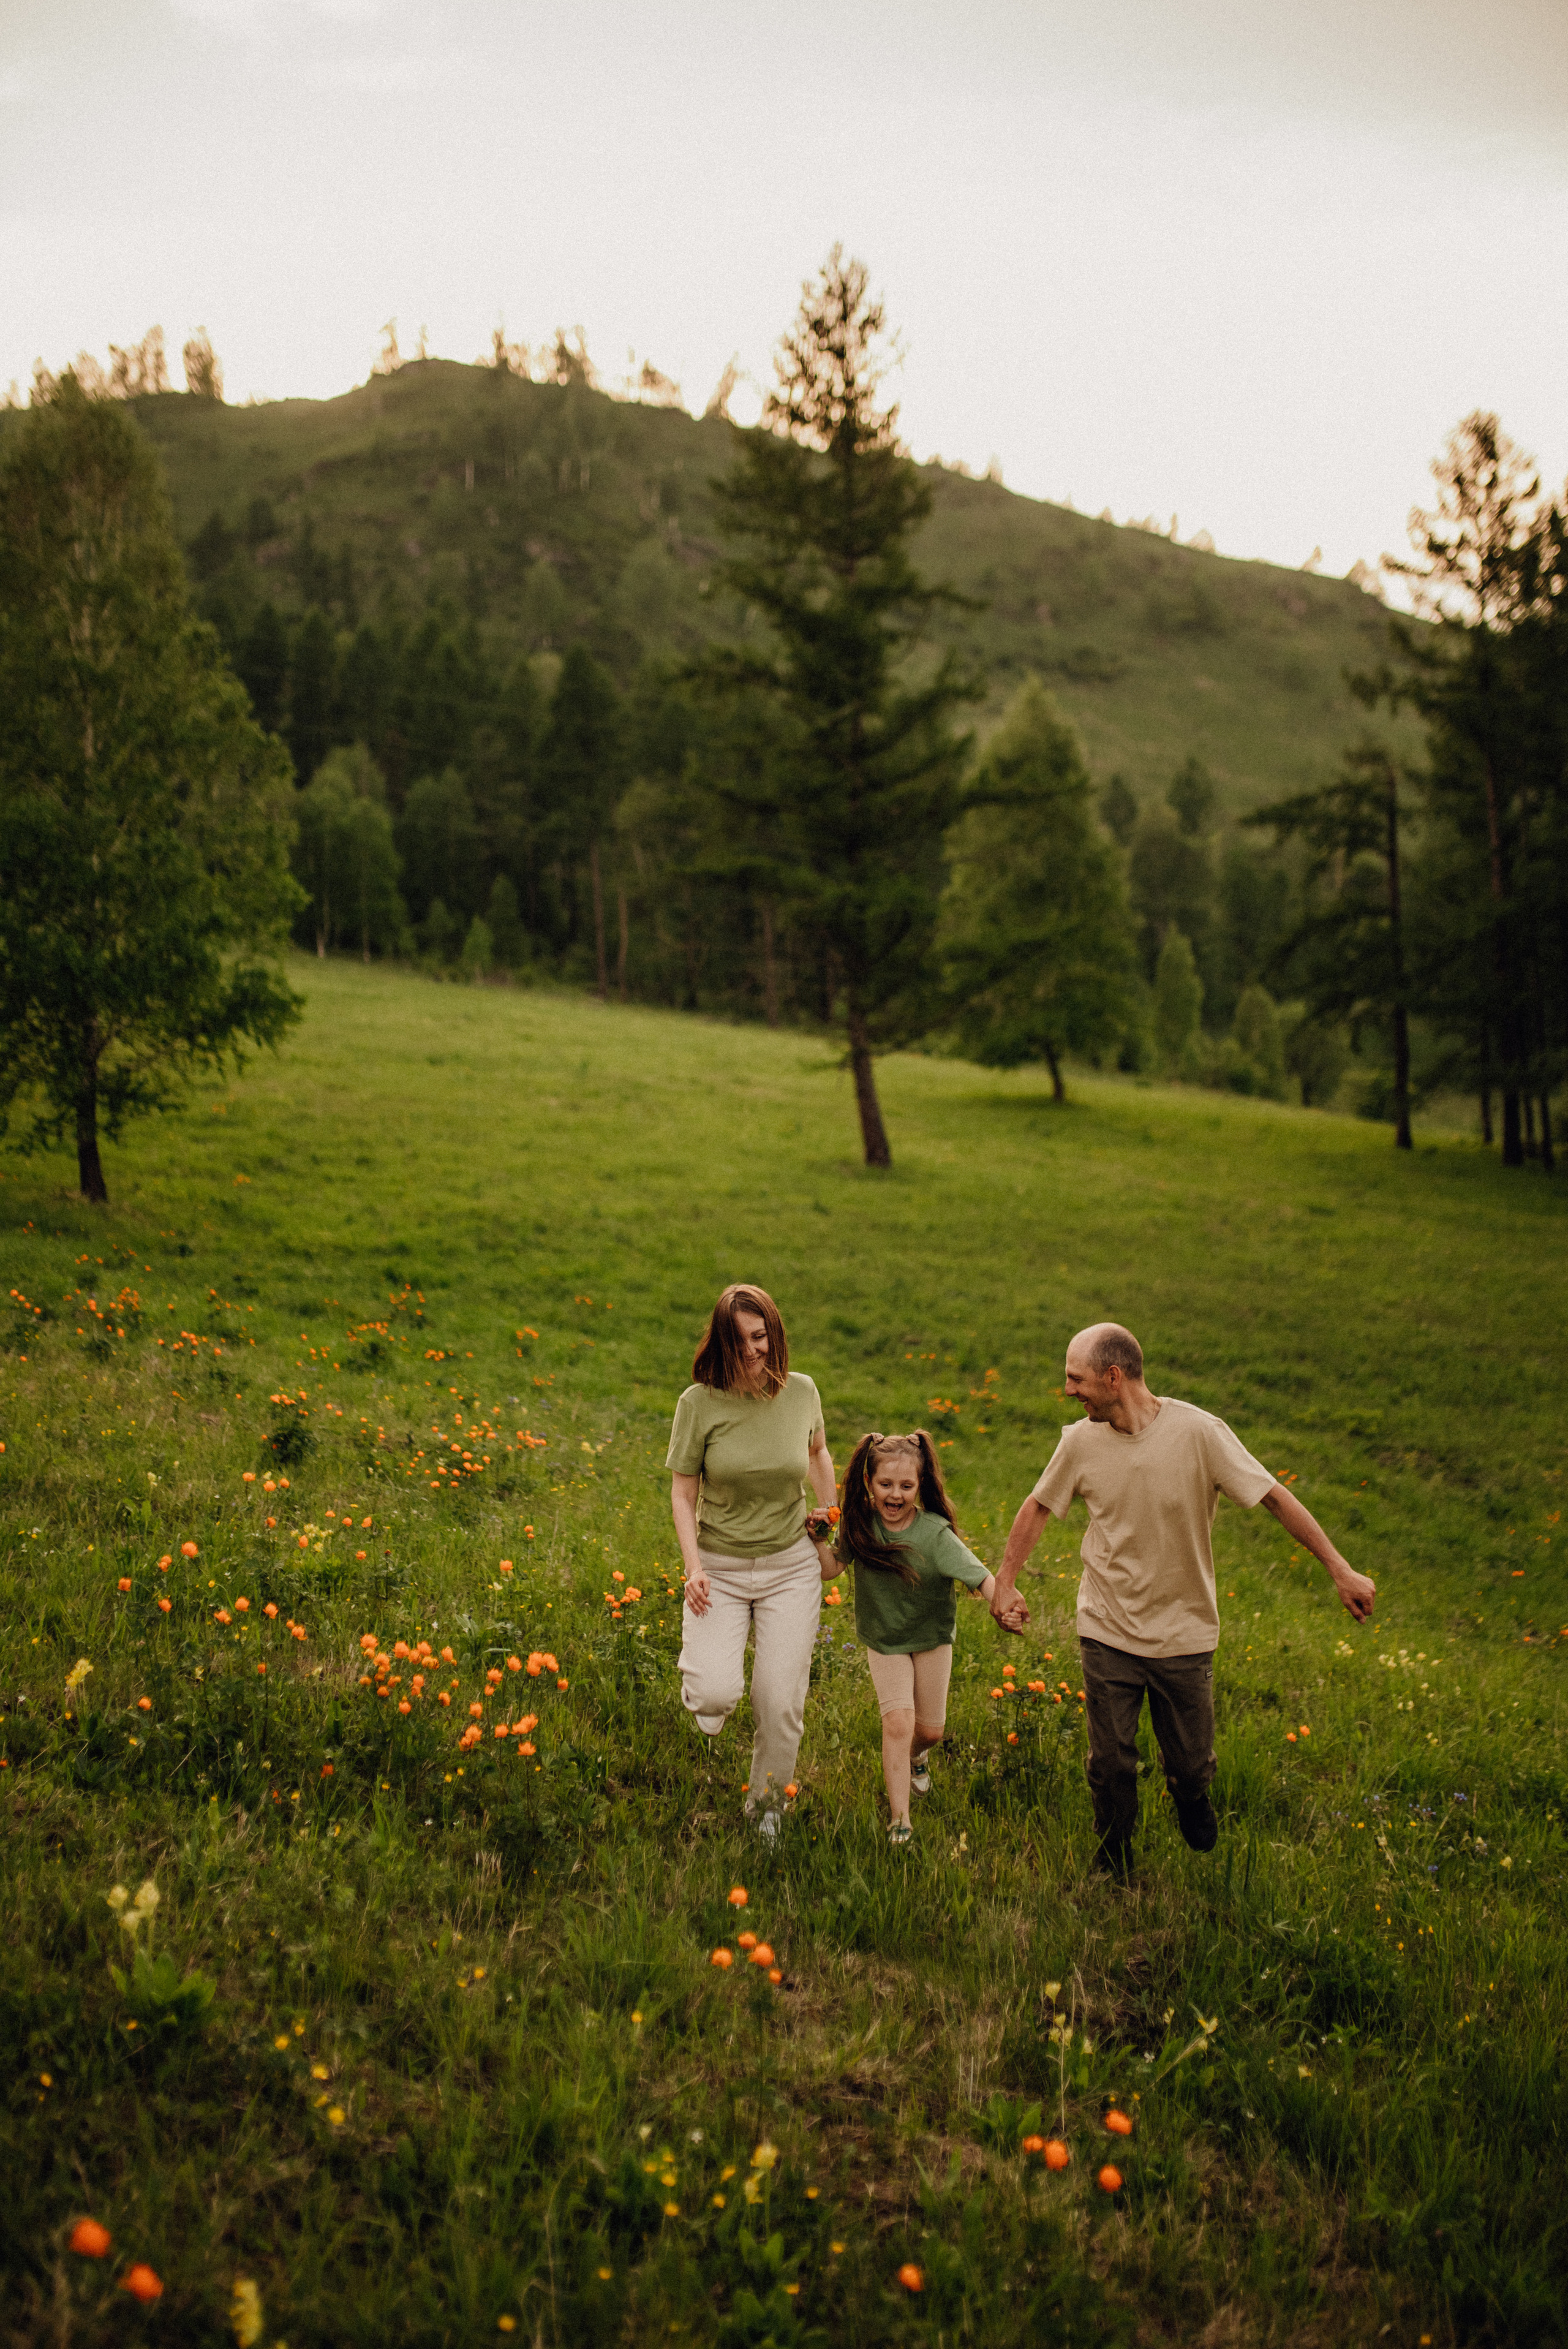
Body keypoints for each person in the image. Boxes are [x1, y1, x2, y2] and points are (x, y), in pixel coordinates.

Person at [989, 1322, 1375, 1878]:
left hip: (1184, 1632)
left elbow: (1272, 1497)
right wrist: (1006, 1580)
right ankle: (1114, 1858)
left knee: (1191, 1766)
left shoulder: (1200, 1433)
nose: (1069, 1390)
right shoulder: (1079, 1442)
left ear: (1113, 1376)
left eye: (1077, 1379)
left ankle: (1192, 1798)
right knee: (1111, 1761)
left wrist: (1339, 1568)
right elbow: (1038, 1506)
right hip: (1107, 1625)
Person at [669, 1282, 838, 1836]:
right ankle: (706, 1688)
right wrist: (694, 1568)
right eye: (740, 1341)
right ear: (722, 1343)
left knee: (780, 1701)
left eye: (761, 1337)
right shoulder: (698, 1405)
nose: (753, 1351)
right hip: (719, 1566)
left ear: (775, 1334)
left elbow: (816, 1451)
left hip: (791, 1567)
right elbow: (682, 1493)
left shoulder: (802, 1392)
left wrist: (829, 1510)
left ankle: (767, 1809)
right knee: (716, 1694)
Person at [835, 1430, 997, 1845]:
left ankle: (917, 1757)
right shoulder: (860, 1527)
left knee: (928, 1732)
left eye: (906, 1486)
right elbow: (828, 1569)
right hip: (884, 1639)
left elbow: (981, 1577)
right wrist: (821, 1535)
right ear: (869, 1483)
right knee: (898, 1722)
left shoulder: (935, 1534)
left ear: (920, 1487)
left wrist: (1003, 1605)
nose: (895, 1494)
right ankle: (900, 1819)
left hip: (931, 1638)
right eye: (886, 1484)